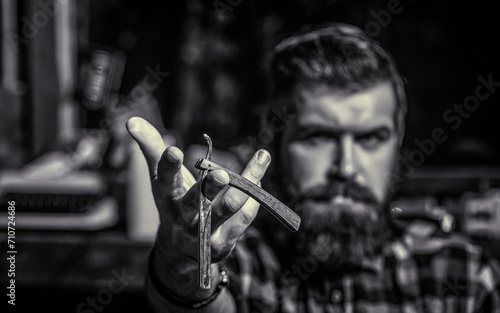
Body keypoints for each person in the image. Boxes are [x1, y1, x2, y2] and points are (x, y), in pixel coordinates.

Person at [126, 23, 500, 313]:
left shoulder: (459, 273)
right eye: (319, 137)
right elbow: (200, 302)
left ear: (397, 143)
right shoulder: (238, 260)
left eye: (371, 139)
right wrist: (185, 266)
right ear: (275, 141)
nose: (346, 168)